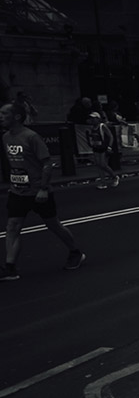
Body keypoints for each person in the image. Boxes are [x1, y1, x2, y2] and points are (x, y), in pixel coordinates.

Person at [0, 103, 85, 280]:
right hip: (18, 191)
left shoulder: (31, 137)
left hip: (38, 191)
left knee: (53, 225)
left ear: (17, 117)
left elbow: (47, 163)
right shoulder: (6, 137)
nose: (0, 116)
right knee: (13, 226)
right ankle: (10, 267)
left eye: (4, 113)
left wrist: (43, 188)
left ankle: (75, 252)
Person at [85, 111, 119, 189]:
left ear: (98, 119)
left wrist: (109, 147)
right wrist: (89, 140)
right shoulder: (91, 128)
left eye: (94, 118)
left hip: (103, 147)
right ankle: (103, 182)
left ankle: (114, 176)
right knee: (98, 165)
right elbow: (92, 137)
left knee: (103, 164)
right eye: (91, 118)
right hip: (96, 147)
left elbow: (111, 136)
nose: (92, 120)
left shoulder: (102, 126)